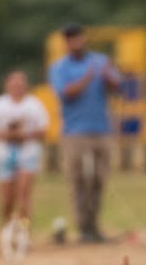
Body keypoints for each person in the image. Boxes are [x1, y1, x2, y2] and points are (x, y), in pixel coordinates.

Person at [48, 23, 120, 243]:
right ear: (66, 43)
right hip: (74, 131)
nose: (76, 42)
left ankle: (95, 224)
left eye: (79, 37)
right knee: (78, 180)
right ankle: (83, 228)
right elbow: (66, 93)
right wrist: (88, 77)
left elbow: (118, 86)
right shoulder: (60, 67)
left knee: (99, 179)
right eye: (71, 39)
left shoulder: (100, 61)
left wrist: (108, 76)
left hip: (101, 129)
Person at [0, 70, 48, 228]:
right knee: (7, 198)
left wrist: (25, 135)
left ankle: (25, 231)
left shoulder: (34, 104)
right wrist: (7, 135)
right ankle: (7, 228)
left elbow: (43, 130)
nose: (17, 87)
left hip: (28, 153)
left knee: (24, 194)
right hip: (4, 154)